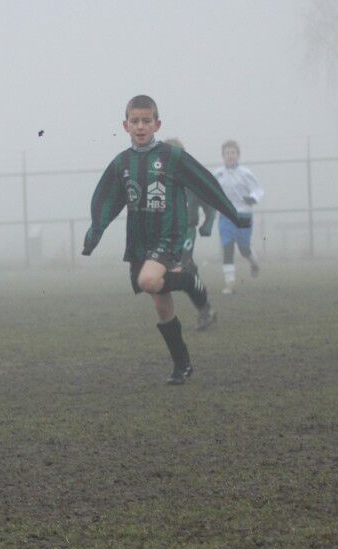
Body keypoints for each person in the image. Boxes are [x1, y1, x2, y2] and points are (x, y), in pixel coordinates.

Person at [82, 95, 249, 384]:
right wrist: (94, 234)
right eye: (135, 121)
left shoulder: (172, 158)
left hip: (168, 236)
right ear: (125, 126)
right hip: (139, 241)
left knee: (148, 280)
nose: (141, 126)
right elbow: (106, 200)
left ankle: (188, 280)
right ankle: (182, 365)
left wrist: (231, 214)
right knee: (161, 304)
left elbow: (205, 183)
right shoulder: (122, 163)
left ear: (157, 124)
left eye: (146, 121)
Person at [164, 137, 217, 331]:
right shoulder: (160, 182)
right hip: (166, 234)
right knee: (181, 271)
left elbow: (210, 204)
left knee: (183, 265)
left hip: (187, 230)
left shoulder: (192, 180)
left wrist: (208, 224)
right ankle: (204, 307)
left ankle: (204, 310)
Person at [211, 140, 264, 294]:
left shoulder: (245, 173)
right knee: (227, 247)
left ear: (238, 155)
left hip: (244, 215)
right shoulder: (218, 173)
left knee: (244, 249)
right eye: (227, 153)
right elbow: (210, 188)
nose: (230, 155)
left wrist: (253, 198)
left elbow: (258, 189)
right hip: (226, 215)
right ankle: (230, 284)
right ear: (223, 156)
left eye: (233, 152)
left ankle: (254, 263)